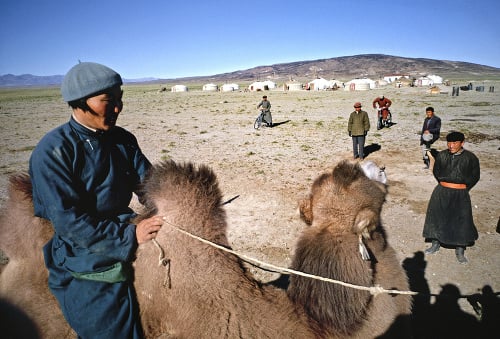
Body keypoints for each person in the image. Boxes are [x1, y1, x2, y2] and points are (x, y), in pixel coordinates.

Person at [29, 62, 164, 338]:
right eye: (108, 100)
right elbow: (69, 222)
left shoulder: (123, 139)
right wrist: (130, 236)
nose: (118, 107)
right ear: (80, 102)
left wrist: (171, 205)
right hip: (83, 248)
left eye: (120, 98)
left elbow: (150, 184)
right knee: (109, 328)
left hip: (124, 222)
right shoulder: (53, 151)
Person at [422, 131, 480, 264]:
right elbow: (437, 172)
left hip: (460, 193)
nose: (451, 146)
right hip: (441, 191)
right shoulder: (442, 155)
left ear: (462, 143)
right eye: (449, 143)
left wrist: (462, 189)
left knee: (461, 220)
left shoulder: (471, 158)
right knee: (437, 216)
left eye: (454, 143)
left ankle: (460, 249)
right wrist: (445, 185)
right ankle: (435, 243)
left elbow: (475, 176)